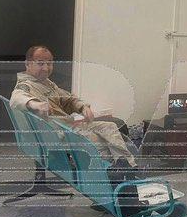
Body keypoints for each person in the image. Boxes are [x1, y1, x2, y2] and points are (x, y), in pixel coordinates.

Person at [10, 45, 138, 167]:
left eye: (49, 63)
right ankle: (110, 170)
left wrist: (83, 107)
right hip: (59, 133)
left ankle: (128, 166)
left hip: (69, 125)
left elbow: (68, 99)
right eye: (40, 63)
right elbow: (16, 98)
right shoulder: (26, 85)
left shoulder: (45, 83)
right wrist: (35, 104)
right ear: (28, 64)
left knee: (110, 126)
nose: (46, 68)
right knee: (100, 140)